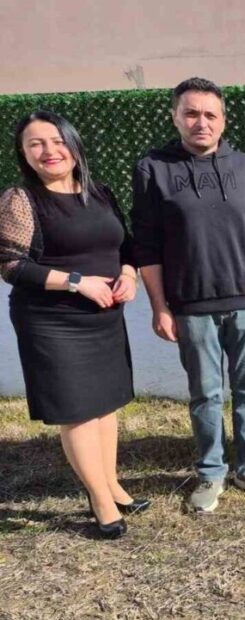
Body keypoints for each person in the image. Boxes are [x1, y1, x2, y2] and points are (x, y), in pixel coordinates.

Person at [132, 77, 245, 513]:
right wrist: (159, 307)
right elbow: (147, 245)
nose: (201, 122)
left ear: (222, 120)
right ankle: (211, 472)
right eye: (191, 113)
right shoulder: (153, 168)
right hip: (192, 304)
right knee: (205, 393)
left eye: (210, 114)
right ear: (175, 116)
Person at [0, 111, 148, 539]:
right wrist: (77, 283)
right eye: (35, 144)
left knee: (106, 404)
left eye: (56, 140)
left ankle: (114, 486)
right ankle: (100, 502)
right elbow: (10, 265)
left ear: (73, 143)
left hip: (104, 316)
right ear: (24, 154)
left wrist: (130, 275)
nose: (49, 151)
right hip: (53, 322)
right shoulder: (20, 199)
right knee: (79, 411)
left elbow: (128, 246)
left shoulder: (99, 193)